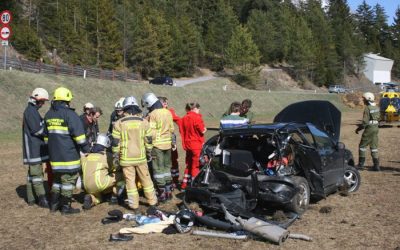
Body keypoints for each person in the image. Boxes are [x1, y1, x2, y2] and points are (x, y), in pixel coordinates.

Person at [44, 87, 90, 214]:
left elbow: (46, 137)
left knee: (58, 180)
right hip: (68, 156)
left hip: (54, 156)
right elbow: (80, 137)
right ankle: (65, 207)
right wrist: (86, 149)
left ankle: (53, 205)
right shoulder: (70, 115)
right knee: (68, 181)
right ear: (67, 101)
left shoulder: (48, 114)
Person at [112, 96, 157, 211]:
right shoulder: (144, 122)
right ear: (137, 108)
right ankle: (152, 202)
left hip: (126, 159)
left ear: (125, 108)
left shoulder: (119, 123)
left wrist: (115, 155)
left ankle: (134, 205)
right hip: (141, 158)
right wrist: (149, 152)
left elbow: (115, 142)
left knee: (130, 183)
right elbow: (149, 140)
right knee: (146, 180)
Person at [142, 93, 174, 202]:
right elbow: (171, 129)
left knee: (158, 170)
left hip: (157, 145)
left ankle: (162, 193)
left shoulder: (153, 114)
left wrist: (149, 146)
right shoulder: (168, 112)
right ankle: (169, 191)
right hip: (167, 145)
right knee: (166, 168)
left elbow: (151, 132)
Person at [22, 88, 50, 208]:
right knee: (37, 174)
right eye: (42, 101)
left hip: (35, 146)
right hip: (33, 148)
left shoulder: (32, 110)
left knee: (31, 175)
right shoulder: (30, 111)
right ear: (36, 100)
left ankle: (31, 198)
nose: (43, 104)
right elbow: (37, 130)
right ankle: (42, 198)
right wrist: (48, 132)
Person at [82, 134, 124, 210]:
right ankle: (114, 197)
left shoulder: (86, 156)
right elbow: (116, 168)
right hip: (99, 183)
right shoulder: (106, 156)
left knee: (99, 198)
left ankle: (91, 198)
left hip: (87, 186)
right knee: (122, 176)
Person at [180, 102, 207, 190]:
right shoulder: (197, 117)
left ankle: (184, 184)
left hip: (188, 144)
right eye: (198, 109)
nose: (199, 111)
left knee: (189, 164)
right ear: (195, 108)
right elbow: (202, 130)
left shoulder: (184, 118)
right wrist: (205, 129)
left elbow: (182, 131)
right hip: (196, 144)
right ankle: (194, 185)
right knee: (196, 166)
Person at [158, 96, 182, 188]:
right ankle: (162, 182)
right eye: (165, 103)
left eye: (166, 103)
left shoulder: (170, 112)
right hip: (158, 142)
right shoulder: (154, 113)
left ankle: (174, 180)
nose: (166, 105)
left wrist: (184, 131)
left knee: (173, 160)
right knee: (161, 162)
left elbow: (179, 121)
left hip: (169, 140)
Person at [355, 92, 381, 171]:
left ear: (368, 99)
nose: (363, 100)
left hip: (369, 128)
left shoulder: (367, 108)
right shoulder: (376, 107)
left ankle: (361, 165)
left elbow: (365, 122)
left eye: (364, 99)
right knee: (374, 147)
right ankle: (376, 166)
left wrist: (358, 129)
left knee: (362, 146)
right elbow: (379, 118)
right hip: (376, 128)